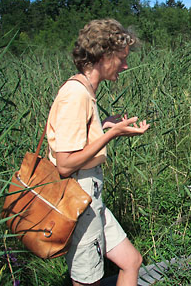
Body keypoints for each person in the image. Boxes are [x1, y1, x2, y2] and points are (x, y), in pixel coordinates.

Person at [46, 19, 149, 286]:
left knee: (131, 262)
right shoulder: (75, 94)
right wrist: (111, 134)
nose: (125, 66)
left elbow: (76, 142)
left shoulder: (87, 91)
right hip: (78, 197)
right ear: (103, 57)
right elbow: (65, 164)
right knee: (87, 280)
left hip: (92, 197)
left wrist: (104, 127)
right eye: (121, 58)